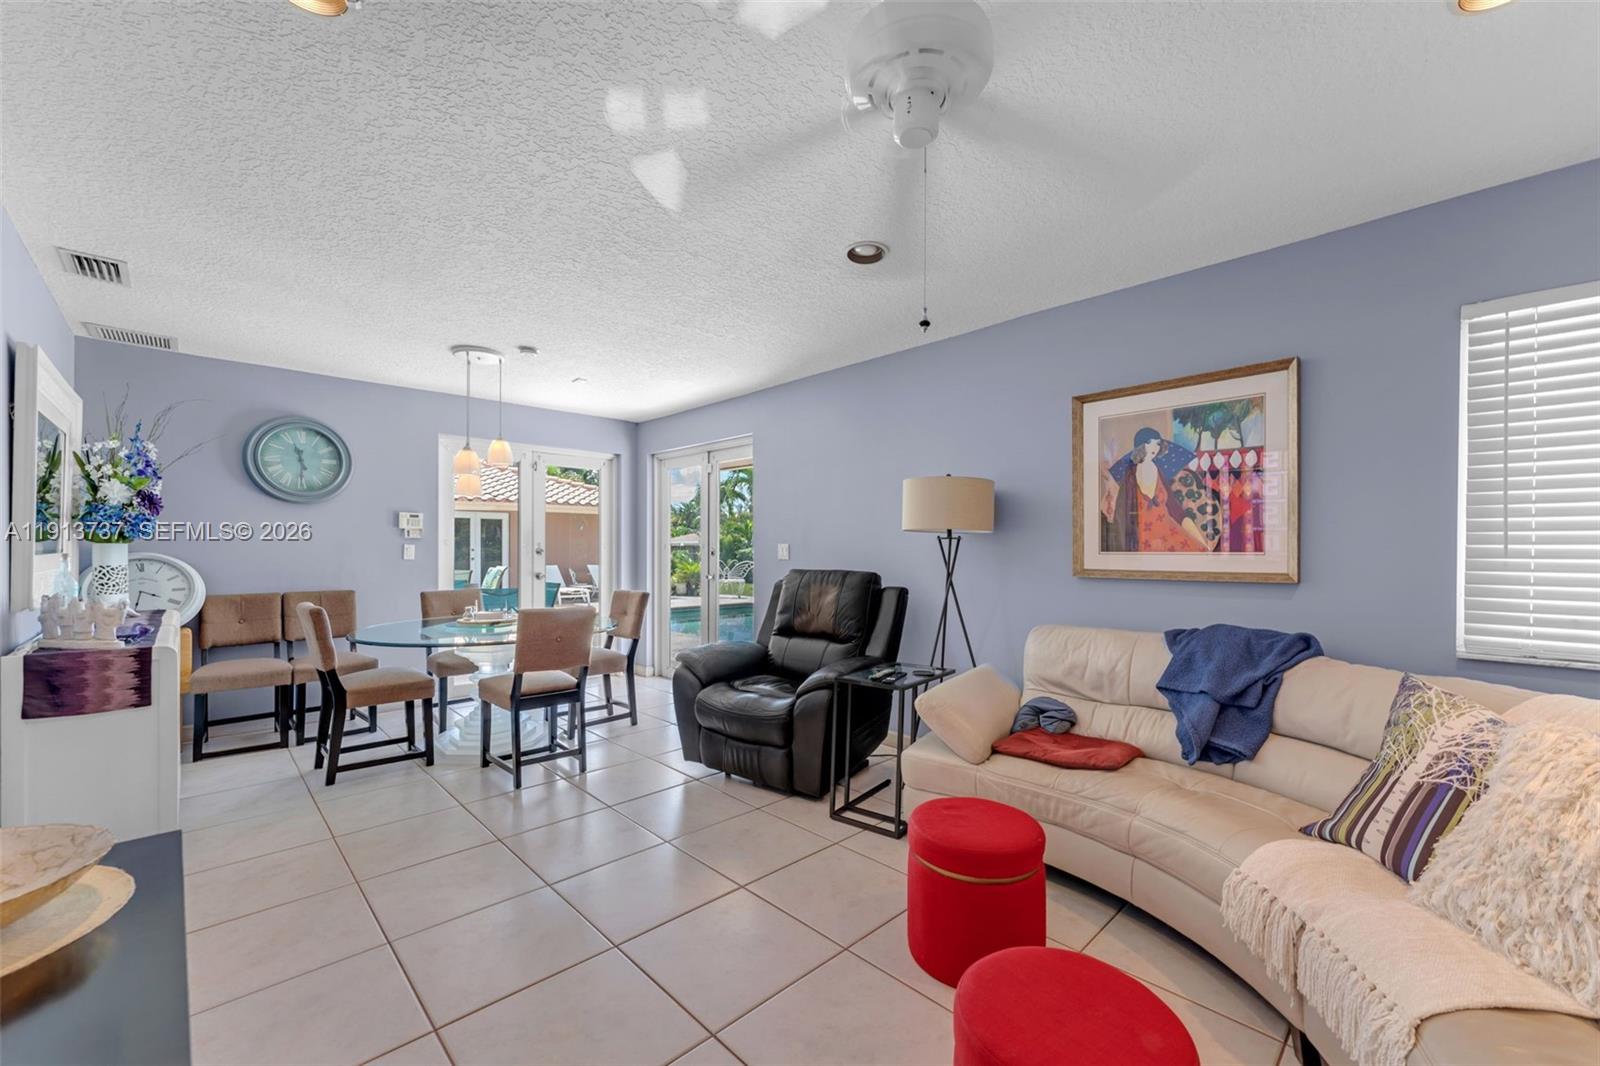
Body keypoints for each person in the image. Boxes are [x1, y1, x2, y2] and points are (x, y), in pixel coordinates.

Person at [1100, 427, 1221, 553]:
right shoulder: (1130, 475)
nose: (1154, 447)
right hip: (1143, 537)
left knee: (1196, 550)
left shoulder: (1158, 471)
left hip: (1168, 529)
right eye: (1149, 443)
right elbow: (1122, 513)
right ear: (1140, 446)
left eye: (1157, 443)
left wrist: (1200, 540)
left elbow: (1175, 508)